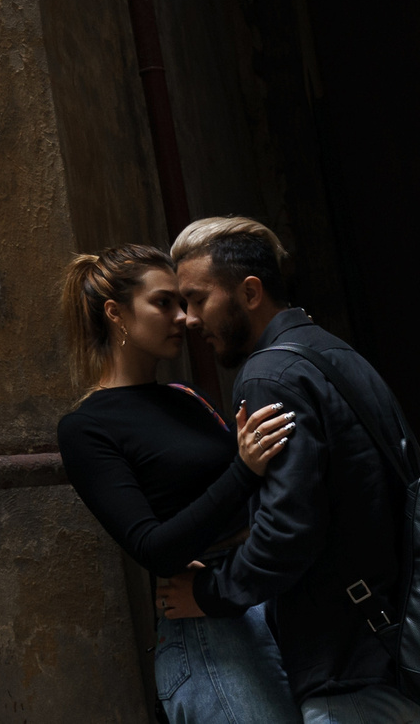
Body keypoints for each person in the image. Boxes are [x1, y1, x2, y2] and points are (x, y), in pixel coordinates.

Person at [163, 218, 420, 724]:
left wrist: (209, 593)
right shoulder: (334, 352)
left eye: (198, 299)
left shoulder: (269, 375)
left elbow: (290, 528)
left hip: (348, 662)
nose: (188, 320)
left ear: (249, 292)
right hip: (397, 643)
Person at [58, 244, 302, 724]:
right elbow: (153, 547)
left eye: (184, 303)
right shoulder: (87, 427)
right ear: (116, 313)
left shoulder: (185, 397)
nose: (185, 318)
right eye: (164, 303)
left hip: (257, 591)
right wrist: (244, 470)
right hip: (207, 627)